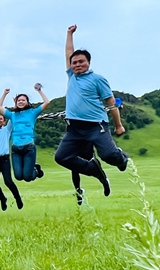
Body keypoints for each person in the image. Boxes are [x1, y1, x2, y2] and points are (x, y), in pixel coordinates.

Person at [54, 25, 129, 197]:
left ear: (89, 62)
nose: (77, 65)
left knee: (109, 155)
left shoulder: (98, 79)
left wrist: (118, 125)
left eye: (81, 61)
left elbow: (111, 103)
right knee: (61, 157)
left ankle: (121, 158)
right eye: (74, 62)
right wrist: (69, 34)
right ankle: (94, 170)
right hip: (74, 129)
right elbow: (68, 51)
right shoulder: (71, 76)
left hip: (96, 126)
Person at [0, 83, 50, 182]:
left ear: (27, 102)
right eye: (19, 100)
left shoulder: (33, 112)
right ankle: (31, 168)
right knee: (18, 176)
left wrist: (39, 91)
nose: (20, 102)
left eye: (23, 100)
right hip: (16, 149)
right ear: (16, 102)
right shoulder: (12, 115)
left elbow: (47, 102)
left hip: (29, 147)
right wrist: (4, 94)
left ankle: (36, 170)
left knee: (27, 177)